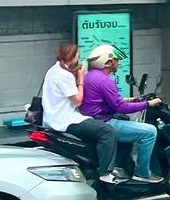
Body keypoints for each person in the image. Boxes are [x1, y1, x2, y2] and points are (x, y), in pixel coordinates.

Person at [81, 44, 164, 184]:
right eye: (115, 59)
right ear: (106, 61)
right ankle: (142, 173)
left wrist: (130, 99)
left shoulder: (90, 76)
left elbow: (101, 100)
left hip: (93, 120)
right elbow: (120, 107)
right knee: (150, 132)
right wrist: (148, 104)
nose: (117, 63)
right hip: (105, 122)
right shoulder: (104, 80)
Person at [41, 44, 121, 184]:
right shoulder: (64, 76)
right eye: (78, 54)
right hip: (65, 119)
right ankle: (105, 173)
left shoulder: (52, 70)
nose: (79, 57)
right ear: (72, 57)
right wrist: (81, 78)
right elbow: (78, 101)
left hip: (52, 117)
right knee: (107, 131)